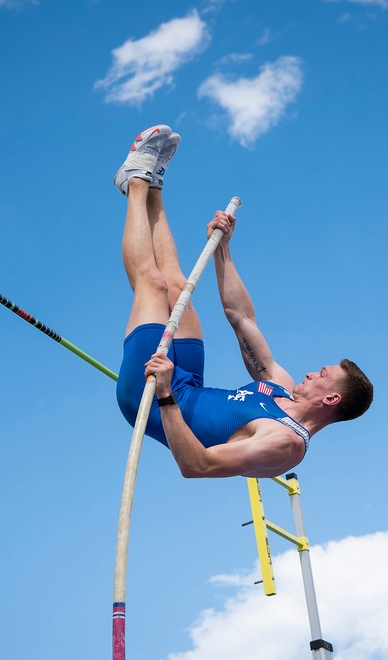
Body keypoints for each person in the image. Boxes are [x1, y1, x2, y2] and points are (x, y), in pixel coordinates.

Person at [114, 124, 373, 479]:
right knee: (177, 287)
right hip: (187, 383)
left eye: (322, 375)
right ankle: (154, 184)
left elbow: (197, 466)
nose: (312, 372)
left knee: (152, 284)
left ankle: (134, 181)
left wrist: (165, 395)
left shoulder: (284, 443)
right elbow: (242, 317)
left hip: (155, 399)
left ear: (331, 399)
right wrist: (224, 250)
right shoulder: (279, 385)